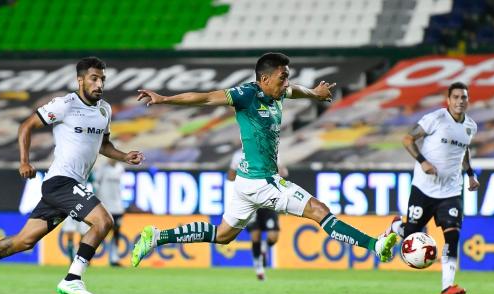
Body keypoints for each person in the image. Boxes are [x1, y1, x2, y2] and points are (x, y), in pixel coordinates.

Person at [130, 52, 398, 270]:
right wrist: (165, 99)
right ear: (264, 78)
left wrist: (315, 94)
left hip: (246, 183)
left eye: (287, 78)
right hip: (262, 181)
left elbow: (296, 91)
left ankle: (157, 236)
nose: (286, 83)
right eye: (282, 78)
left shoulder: (278, 92)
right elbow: (206, 97)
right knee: (319, 210)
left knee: (223, 235)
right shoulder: (246, 95)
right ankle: (375, 245)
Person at [0, 57, 144, 294]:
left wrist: (124, 156)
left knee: (23, 242)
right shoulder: (65, 105)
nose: (99, 84)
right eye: (94, 78)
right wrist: (24, 161)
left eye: (102, 80)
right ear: (80, 80)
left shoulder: (104, 110)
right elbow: (26, 126)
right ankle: (73, 278)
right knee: (103, 221)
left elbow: (103, 145)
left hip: (72, 185)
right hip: (60, 182)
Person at [385, 82, 479, 294]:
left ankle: (447, 287)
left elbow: (463, 151)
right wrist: (423, 161)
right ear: (448, 99)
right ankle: (397, 227)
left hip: (451, 192)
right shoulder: (435, 118)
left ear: (468, 100)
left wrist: (471, 174)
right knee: (410, 234)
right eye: (456, 97)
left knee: (453, 236)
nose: (460, 101)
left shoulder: (471, 126)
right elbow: (407, 139)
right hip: (424, 189)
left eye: (464, 97)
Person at [227, 148, 288, 280]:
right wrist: (242, 176)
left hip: (269, 200)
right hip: (250, 202)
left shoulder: (273, 152)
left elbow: (283, 173)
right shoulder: (239, 156)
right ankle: (259, 268)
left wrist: (279, 173)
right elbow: (230, 176)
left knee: (273, 236)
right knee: (255, 235)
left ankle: (264, 248)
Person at [93, 158, 126, 266]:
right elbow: (96, 184)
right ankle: (88, 256)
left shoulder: (121, 168)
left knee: (116, 232)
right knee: (100, 231)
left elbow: (122, 188)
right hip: (105, 205)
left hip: (117, 206)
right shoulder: (102, 168)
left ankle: (114, 258)